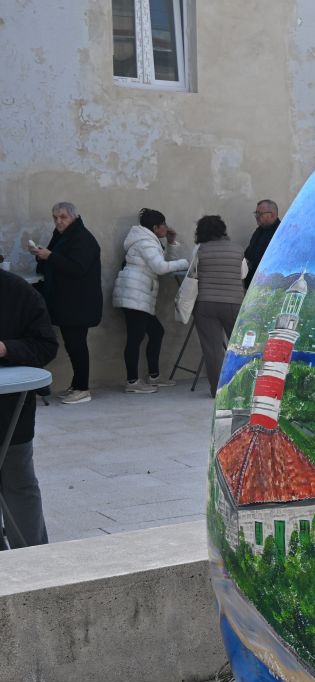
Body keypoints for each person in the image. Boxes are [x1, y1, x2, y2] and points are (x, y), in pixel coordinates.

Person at [0, 269, 59, 547]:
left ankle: (33, 561)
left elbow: (46, 346)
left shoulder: (17, 291)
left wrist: (5, 348)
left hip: (9, 414)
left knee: (19, 483)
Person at [29, 202, 102, 404]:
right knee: (72, 344)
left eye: (63, 217)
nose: (59, 221)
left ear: (74, 217)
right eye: (55, 217)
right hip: (67, 302)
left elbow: (77, 268)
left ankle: (82, 389)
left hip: (80, 303)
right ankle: (76, 384)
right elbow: (54, 260)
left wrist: (50, 256)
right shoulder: (62, 236)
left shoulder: (83, 238)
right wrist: (41, 254)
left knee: (77, 345)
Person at [112, 208, 188, 393]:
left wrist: (171, 243)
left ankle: (154, 377)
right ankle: (132, 382)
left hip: (138, 295)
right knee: (135, 337)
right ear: (155, 227)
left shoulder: (148, 240)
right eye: (164, 225)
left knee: (156, 332)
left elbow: (163, 263)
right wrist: (186, 263)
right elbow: (161, 267)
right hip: (134, 294)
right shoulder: (146, 242)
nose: (166, 227)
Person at [189, 215, 247, 396]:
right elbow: (243, 274)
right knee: (240, 347)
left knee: (212, 350)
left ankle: (218, 391)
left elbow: (193, 274)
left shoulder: (199, 250)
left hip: (206, 304)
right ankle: (244, 388)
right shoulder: (237, 249)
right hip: (234, 303)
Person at [244, 199, 281, 288]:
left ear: (272, 215)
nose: (256, 216)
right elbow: (249, 253)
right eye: (256, 213)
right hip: (253, 283)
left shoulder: (281, 233)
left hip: (269, 285)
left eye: (260, 214)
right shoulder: (259, 231)